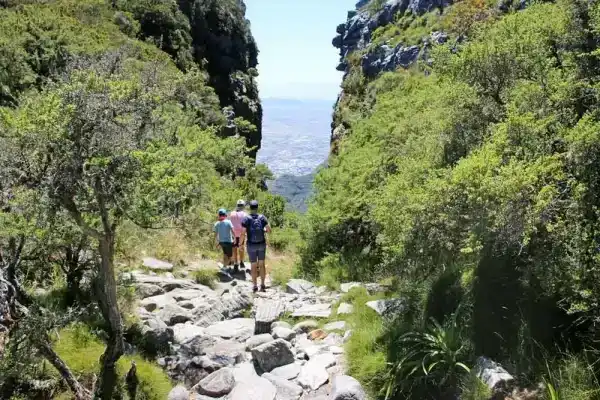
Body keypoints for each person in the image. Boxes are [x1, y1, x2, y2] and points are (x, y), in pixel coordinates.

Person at [240, 200, 271, 293]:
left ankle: (254, 286)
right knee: (262, 265)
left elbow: (242, 233)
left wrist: (240, 244)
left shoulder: (247, 218)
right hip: (261, 244)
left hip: (251, 245)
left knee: (253, 265)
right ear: (257, 208)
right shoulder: (262, 217)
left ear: (250, 208)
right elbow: (269, 230)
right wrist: (264, 230)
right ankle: (262, 285)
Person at [229, 199, 248, 272]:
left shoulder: (231, 213)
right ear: (243, 206)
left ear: (237, 205)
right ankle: (242, 262)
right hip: (241, 235)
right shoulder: (245, 214)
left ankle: (236, 264)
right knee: (241, 248)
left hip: (233, 234)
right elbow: (245, 226)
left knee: (234, 249)